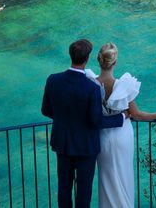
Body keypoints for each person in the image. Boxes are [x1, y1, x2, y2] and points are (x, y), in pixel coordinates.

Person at [42, 39, 125, 208]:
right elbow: (96, 120)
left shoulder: (53, 80)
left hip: (63, 143)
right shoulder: (91, 88)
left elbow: (46, 110)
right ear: (87, 59)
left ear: (71, 56)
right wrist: (121, 118)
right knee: (84, 190)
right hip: (85, 147)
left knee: (64, 187)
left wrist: (64, 119)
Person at [92, 43, 156, 208]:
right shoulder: (122, 85)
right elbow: (136, 114)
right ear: (115, 62)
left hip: (102, 138)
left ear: (98, 60)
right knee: (123, 176)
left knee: (106, 180)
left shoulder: (90, 83)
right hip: (122, 137)